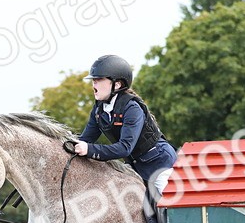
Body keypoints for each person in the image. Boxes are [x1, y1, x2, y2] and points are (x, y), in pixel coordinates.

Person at [71, 55, 177, 209]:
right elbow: (85, 139)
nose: (94, 83)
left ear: (117, 84)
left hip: (160, 165)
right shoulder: (99, 109)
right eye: (94, 79)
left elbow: (124, 148)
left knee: (171, 206)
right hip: (135, 168)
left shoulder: (132, 108)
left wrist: (89, 150)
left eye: (99, 79)